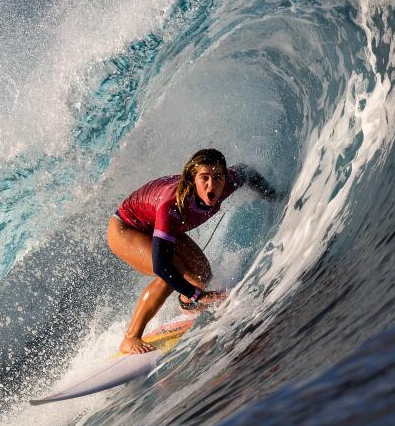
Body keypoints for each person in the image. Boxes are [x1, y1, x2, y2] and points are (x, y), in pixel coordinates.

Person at [107, 148, 282, 354]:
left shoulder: (228, 184)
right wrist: (199, 295)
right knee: (170, 272)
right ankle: (130, 337)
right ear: (192, 179)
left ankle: (186, 303)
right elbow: (161, 266)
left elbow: (246, 171)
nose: (212, 184)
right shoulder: (172, 204)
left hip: (156, 224)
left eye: (217, 177)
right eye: (204, 178)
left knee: (201, 273)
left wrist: (273, 195)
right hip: (126, 228)